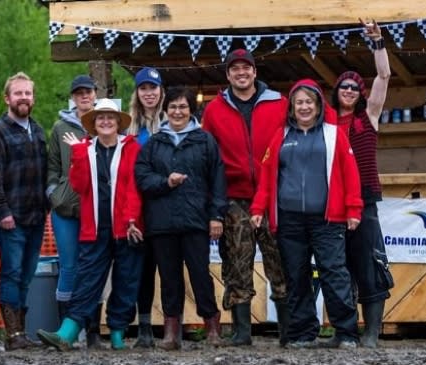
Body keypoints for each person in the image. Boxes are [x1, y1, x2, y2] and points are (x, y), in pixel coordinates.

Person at [250, 78, 363, 349]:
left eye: (309, 102)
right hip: (289, 220)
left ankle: (346, 333)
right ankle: (303, 333)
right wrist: (258, 208)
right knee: (296, 276)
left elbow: (350, 174)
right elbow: (267, 177)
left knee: (334, 273)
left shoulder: (334, 134)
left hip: (327, 219)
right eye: (298, 102)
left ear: (319, 105)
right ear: (291, 107)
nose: (303, 107)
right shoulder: (280, 137)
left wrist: (353, 208)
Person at [37, 98, 144, 351]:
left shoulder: (131, 148)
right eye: (100, 118)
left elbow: (134, 187)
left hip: (127, 227)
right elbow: (79, 186)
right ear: (94, 123)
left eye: (110, 117)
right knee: (87, 280)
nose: (105, 121)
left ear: (118, 122)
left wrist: (131, 219)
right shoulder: (85, 149)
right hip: (94, 228)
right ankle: (67, 332)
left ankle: (117, 334)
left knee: (126, 280)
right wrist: (78, 154)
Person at [201, 48, 289, 346]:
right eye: (235, 69)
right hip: (234, 197)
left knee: (280, 259)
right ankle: (241, 331)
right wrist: (214, 204)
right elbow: (208, 159)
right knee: (237, 261)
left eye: (246, 68)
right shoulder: (214, 110)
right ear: (228, 75)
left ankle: (288, 330)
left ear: (254, 72)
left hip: (274, 194)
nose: (241, 73)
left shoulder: (279, 103)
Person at [135, 86, 228, 350]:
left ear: (191, 110)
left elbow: (218, 182)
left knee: (201, 275)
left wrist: (216, 215)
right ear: (165, 110)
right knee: (169, 278)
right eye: (173, 107)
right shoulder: (154, 143)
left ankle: (211, 327)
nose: (178, 111)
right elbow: (142, 177)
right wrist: (165, 181)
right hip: (162, 222)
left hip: (196, 220)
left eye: (183, 107)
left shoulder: (205, 141)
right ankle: (171, 332)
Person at [331, 20, 393, 348]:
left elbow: (384, 76)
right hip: (333, 202)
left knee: (369, 263)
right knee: (338, 267)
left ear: (361, 94)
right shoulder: (325, 121)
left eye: (355, 88)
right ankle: (346, 333)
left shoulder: (368, 116)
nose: (350, 91)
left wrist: (378, 42)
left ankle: (371, 332)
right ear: (336, 91)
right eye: (345, 86)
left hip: (365, 198)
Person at [0, 72, 48, 351]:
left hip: (36, 216)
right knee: (11, 273)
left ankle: (21, 331)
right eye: (18, 93)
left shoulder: (39, 130)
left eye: (28, 93)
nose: (24, 98)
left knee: (27, 274)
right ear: (7, 98)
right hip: (11, 218)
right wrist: (3, 211)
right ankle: (12, 335)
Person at [46, 75, 103, 348]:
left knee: (94, 268)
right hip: (65, 209)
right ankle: (65, 330)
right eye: (78, 93)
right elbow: (52, 169)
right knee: (69, 267)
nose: (84, 97)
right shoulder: (59, 128)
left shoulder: (104, 124)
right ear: (73, 97)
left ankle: (92, 330)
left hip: (97, 210)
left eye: (88, 92)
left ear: (95, 94)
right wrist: (55, 195)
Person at [125, 67, 165, 348]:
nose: (149, 93)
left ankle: (172, 325)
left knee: (170, 269)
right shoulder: (129, 128)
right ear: (137, 93)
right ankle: (144, 326)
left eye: (153, 87)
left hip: (168, 206)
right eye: (144, 88)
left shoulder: (172, 120)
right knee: (143, 269)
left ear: (161, 91)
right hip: (139, 208)